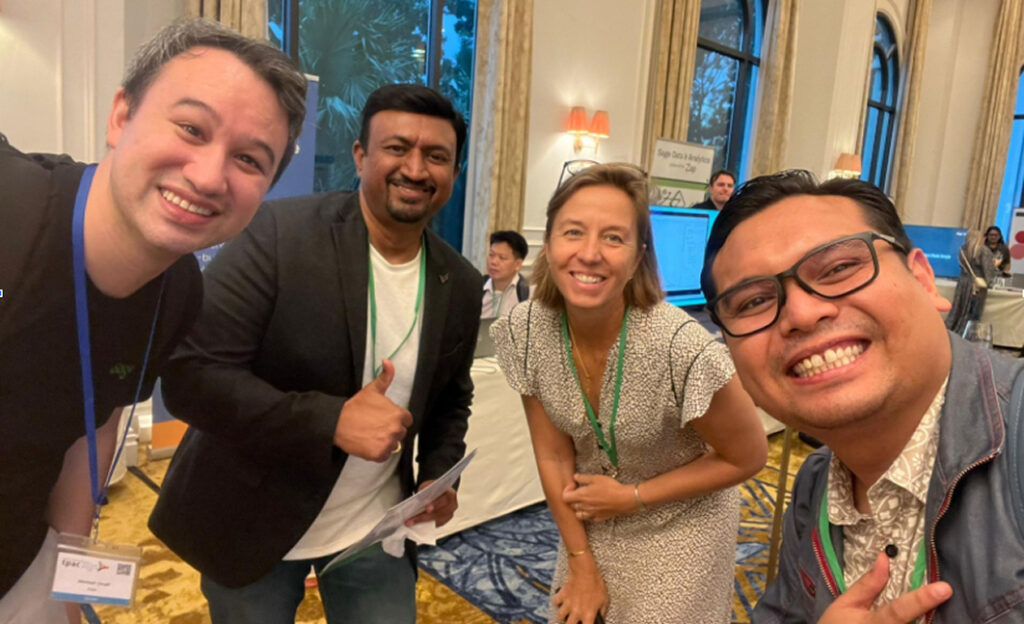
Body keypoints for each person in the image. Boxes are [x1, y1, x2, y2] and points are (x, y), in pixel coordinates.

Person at [0, 19, 305, 621]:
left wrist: (67, 582)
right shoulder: (15, 214)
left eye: (248, 159)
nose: (208, 176)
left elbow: (96, 422)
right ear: (121, 116)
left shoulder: (179, 292)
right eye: (191, 129)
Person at [148, 84, 480, 623]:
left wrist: (438, 476)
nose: (415, 169)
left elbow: (451, 398)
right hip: (254, 520)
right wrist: (331, 421)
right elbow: (190, 375)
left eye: (436, 156)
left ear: (454, 173)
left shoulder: (459, 281)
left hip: (374, 530)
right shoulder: (279, 234)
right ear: (361, 156)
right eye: (397, 148)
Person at [701, 170, 1024, 623]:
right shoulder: (816, 486)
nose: (802, 313)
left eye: (838, 269)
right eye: (753, 302)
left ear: (923, 279)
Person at [491, 163, 767, 624]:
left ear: (638, 257)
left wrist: (632, 497)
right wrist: (580, 561)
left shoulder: (679, 346)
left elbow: (748, 456)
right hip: (594, 516)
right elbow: (554, 456)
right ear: (550, 243)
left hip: (682, 519)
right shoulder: (528, 329)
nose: (590, 253)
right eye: (573, 232)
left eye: (613, 238)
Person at [945, 229, 996, 335]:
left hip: (963, 282)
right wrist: (990, 282)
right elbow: (988, 270)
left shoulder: (962, 250)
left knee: (959, 309)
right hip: (977, 285)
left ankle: (951, 331)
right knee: (973, 311)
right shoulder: (983, 250)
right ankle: (968, 333)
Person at [482, 230, 531, 318]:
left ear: (517, 264)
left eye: (502, 258)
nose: (493, 262)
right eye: (491, 255)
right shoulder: (476, 287)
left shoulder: (527, 293)